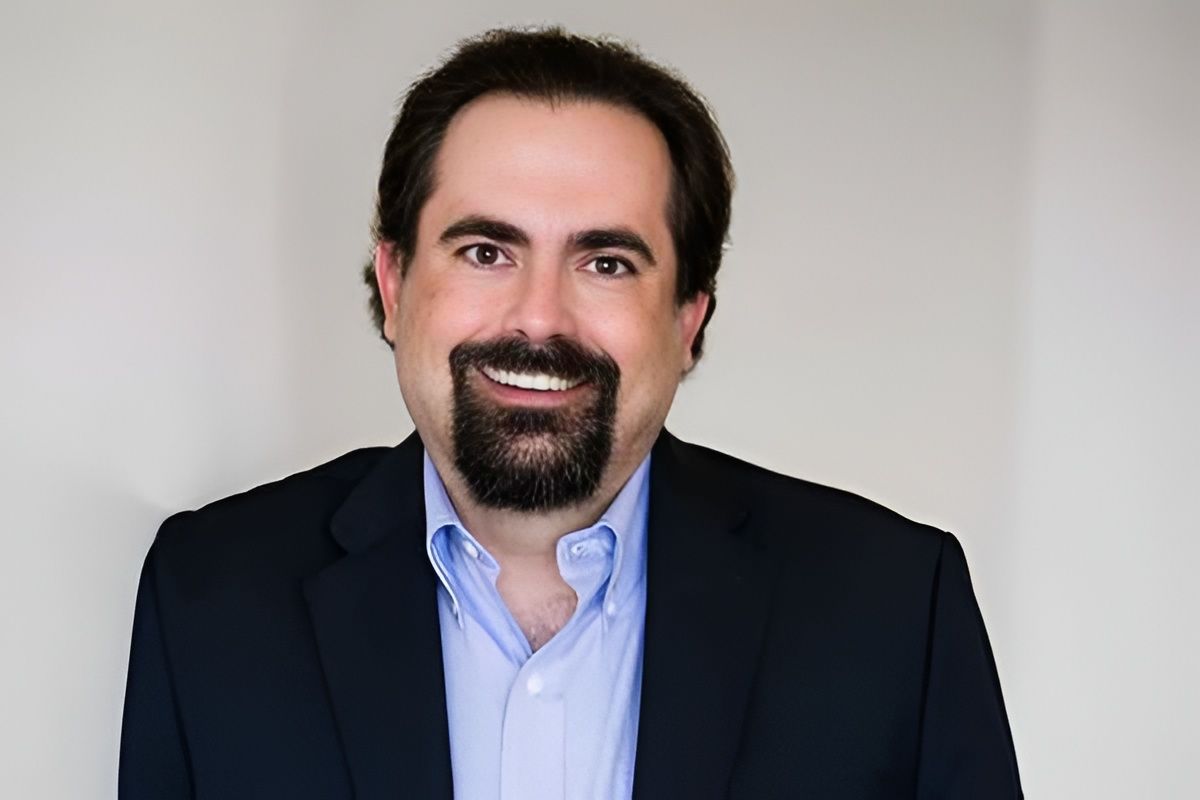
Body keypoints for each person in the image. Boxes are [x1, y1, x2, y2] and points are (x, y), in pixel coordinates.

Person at [119, 26, 1022, 800]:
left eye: (606, 264)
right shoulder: (211, 596)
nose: (540, 317)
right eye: (484, 251)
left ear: (688, 319)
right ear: (394, 286)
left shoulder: (896, 609)